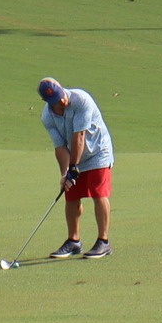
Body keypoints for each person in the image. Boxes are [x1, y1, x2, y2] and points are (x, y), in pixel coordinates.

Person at [37, 78, 113, 259]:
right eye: (56, 100)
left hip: (97, 152)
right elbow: (60, 146)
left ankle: (103, 241)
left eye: (61, 96)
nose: (62, 101)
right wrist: (65, 174)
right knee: (70, 195)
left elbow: (79, 136)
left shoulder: (81, 100)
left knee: (98, 193)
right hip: (74, 156)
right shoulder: (47, 117)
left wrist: (73, 168)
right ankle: (74, 241)